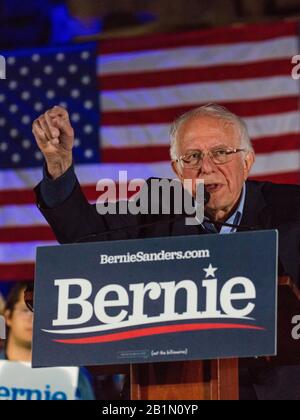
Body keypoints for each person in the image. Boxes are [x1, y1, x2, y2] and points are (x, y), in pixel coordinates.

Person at [32, 104, 300, 400]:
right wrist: (59, 166)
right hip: (163, 390)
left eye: (221, 153)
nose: (206, 167)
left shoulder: (291, 210)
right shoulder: (158, 208)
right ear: (177, 169)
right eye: (192, 157)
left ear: (247, 162)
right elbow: (84, 237)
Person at [1, 282, 95, 400]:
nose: (34, 319)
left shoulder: (76, 376)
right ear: (8, 316)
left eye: (42, 312)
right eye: (26, 310)